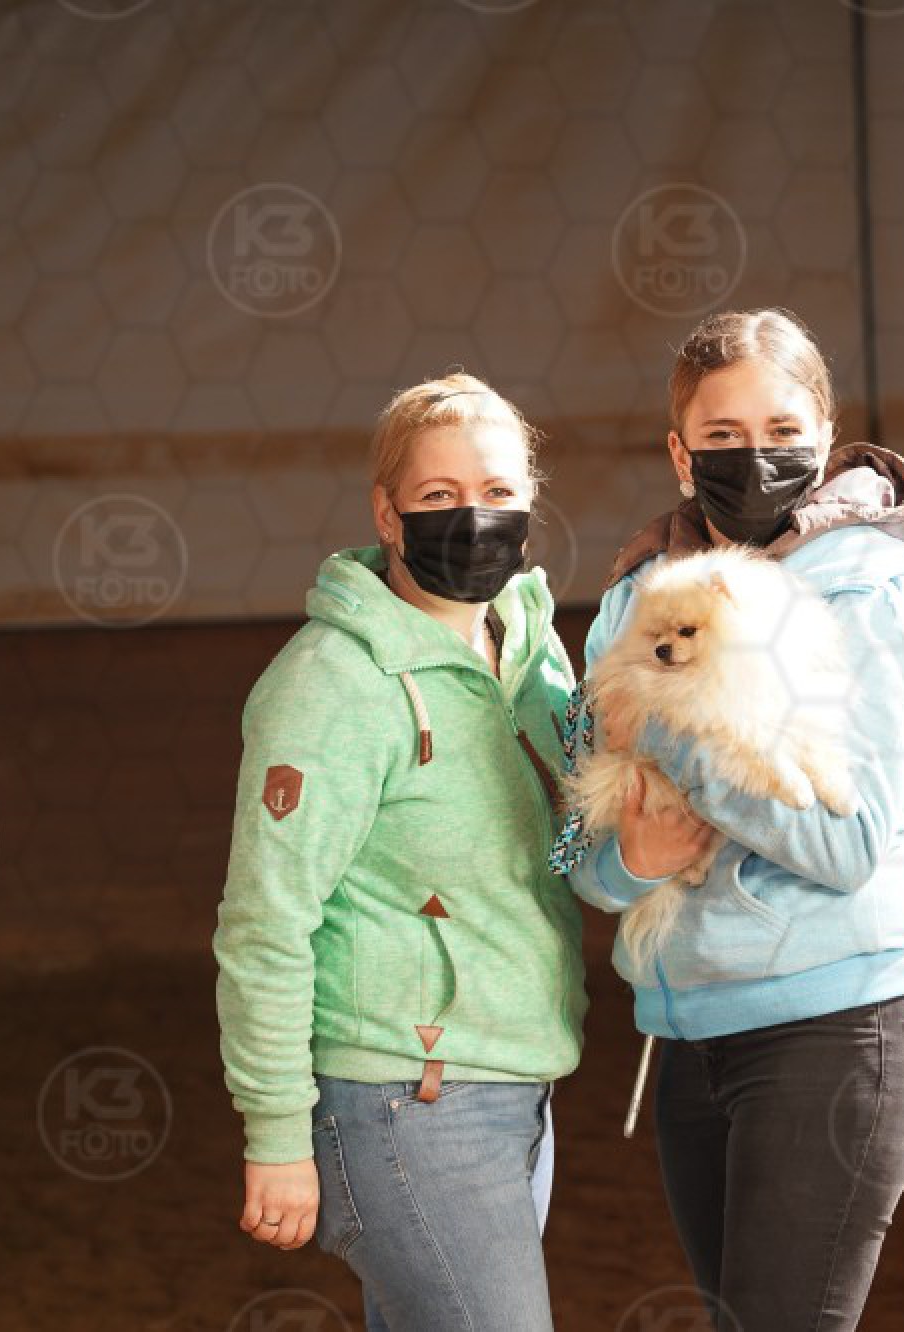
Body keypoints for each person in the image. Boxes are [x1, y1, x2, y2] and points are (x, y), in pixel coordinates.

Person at [565, 308, 904, 1331]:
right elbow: (581, 849)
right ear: (679, 454)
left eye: (781, 431)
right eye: (723, 436)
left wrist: (677, 742)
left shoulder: (868, 592)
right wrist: (629, 861)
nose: (755, 456)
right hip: (688, 1039)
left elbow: (850, 843)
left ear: (823, 437)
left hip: (830, 1029)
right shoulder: (632, 602)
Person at [211, 372, 585, 1332]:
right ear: (387, 513)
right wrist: (275, 1131)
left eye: (498, 492)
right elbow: (265, 923)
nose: (474, 517)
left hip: (521, 1085)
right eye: (438, 495)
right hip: (402, 1098)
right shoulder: (331, 683)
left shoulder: (535, 655)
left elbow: (575, 836)